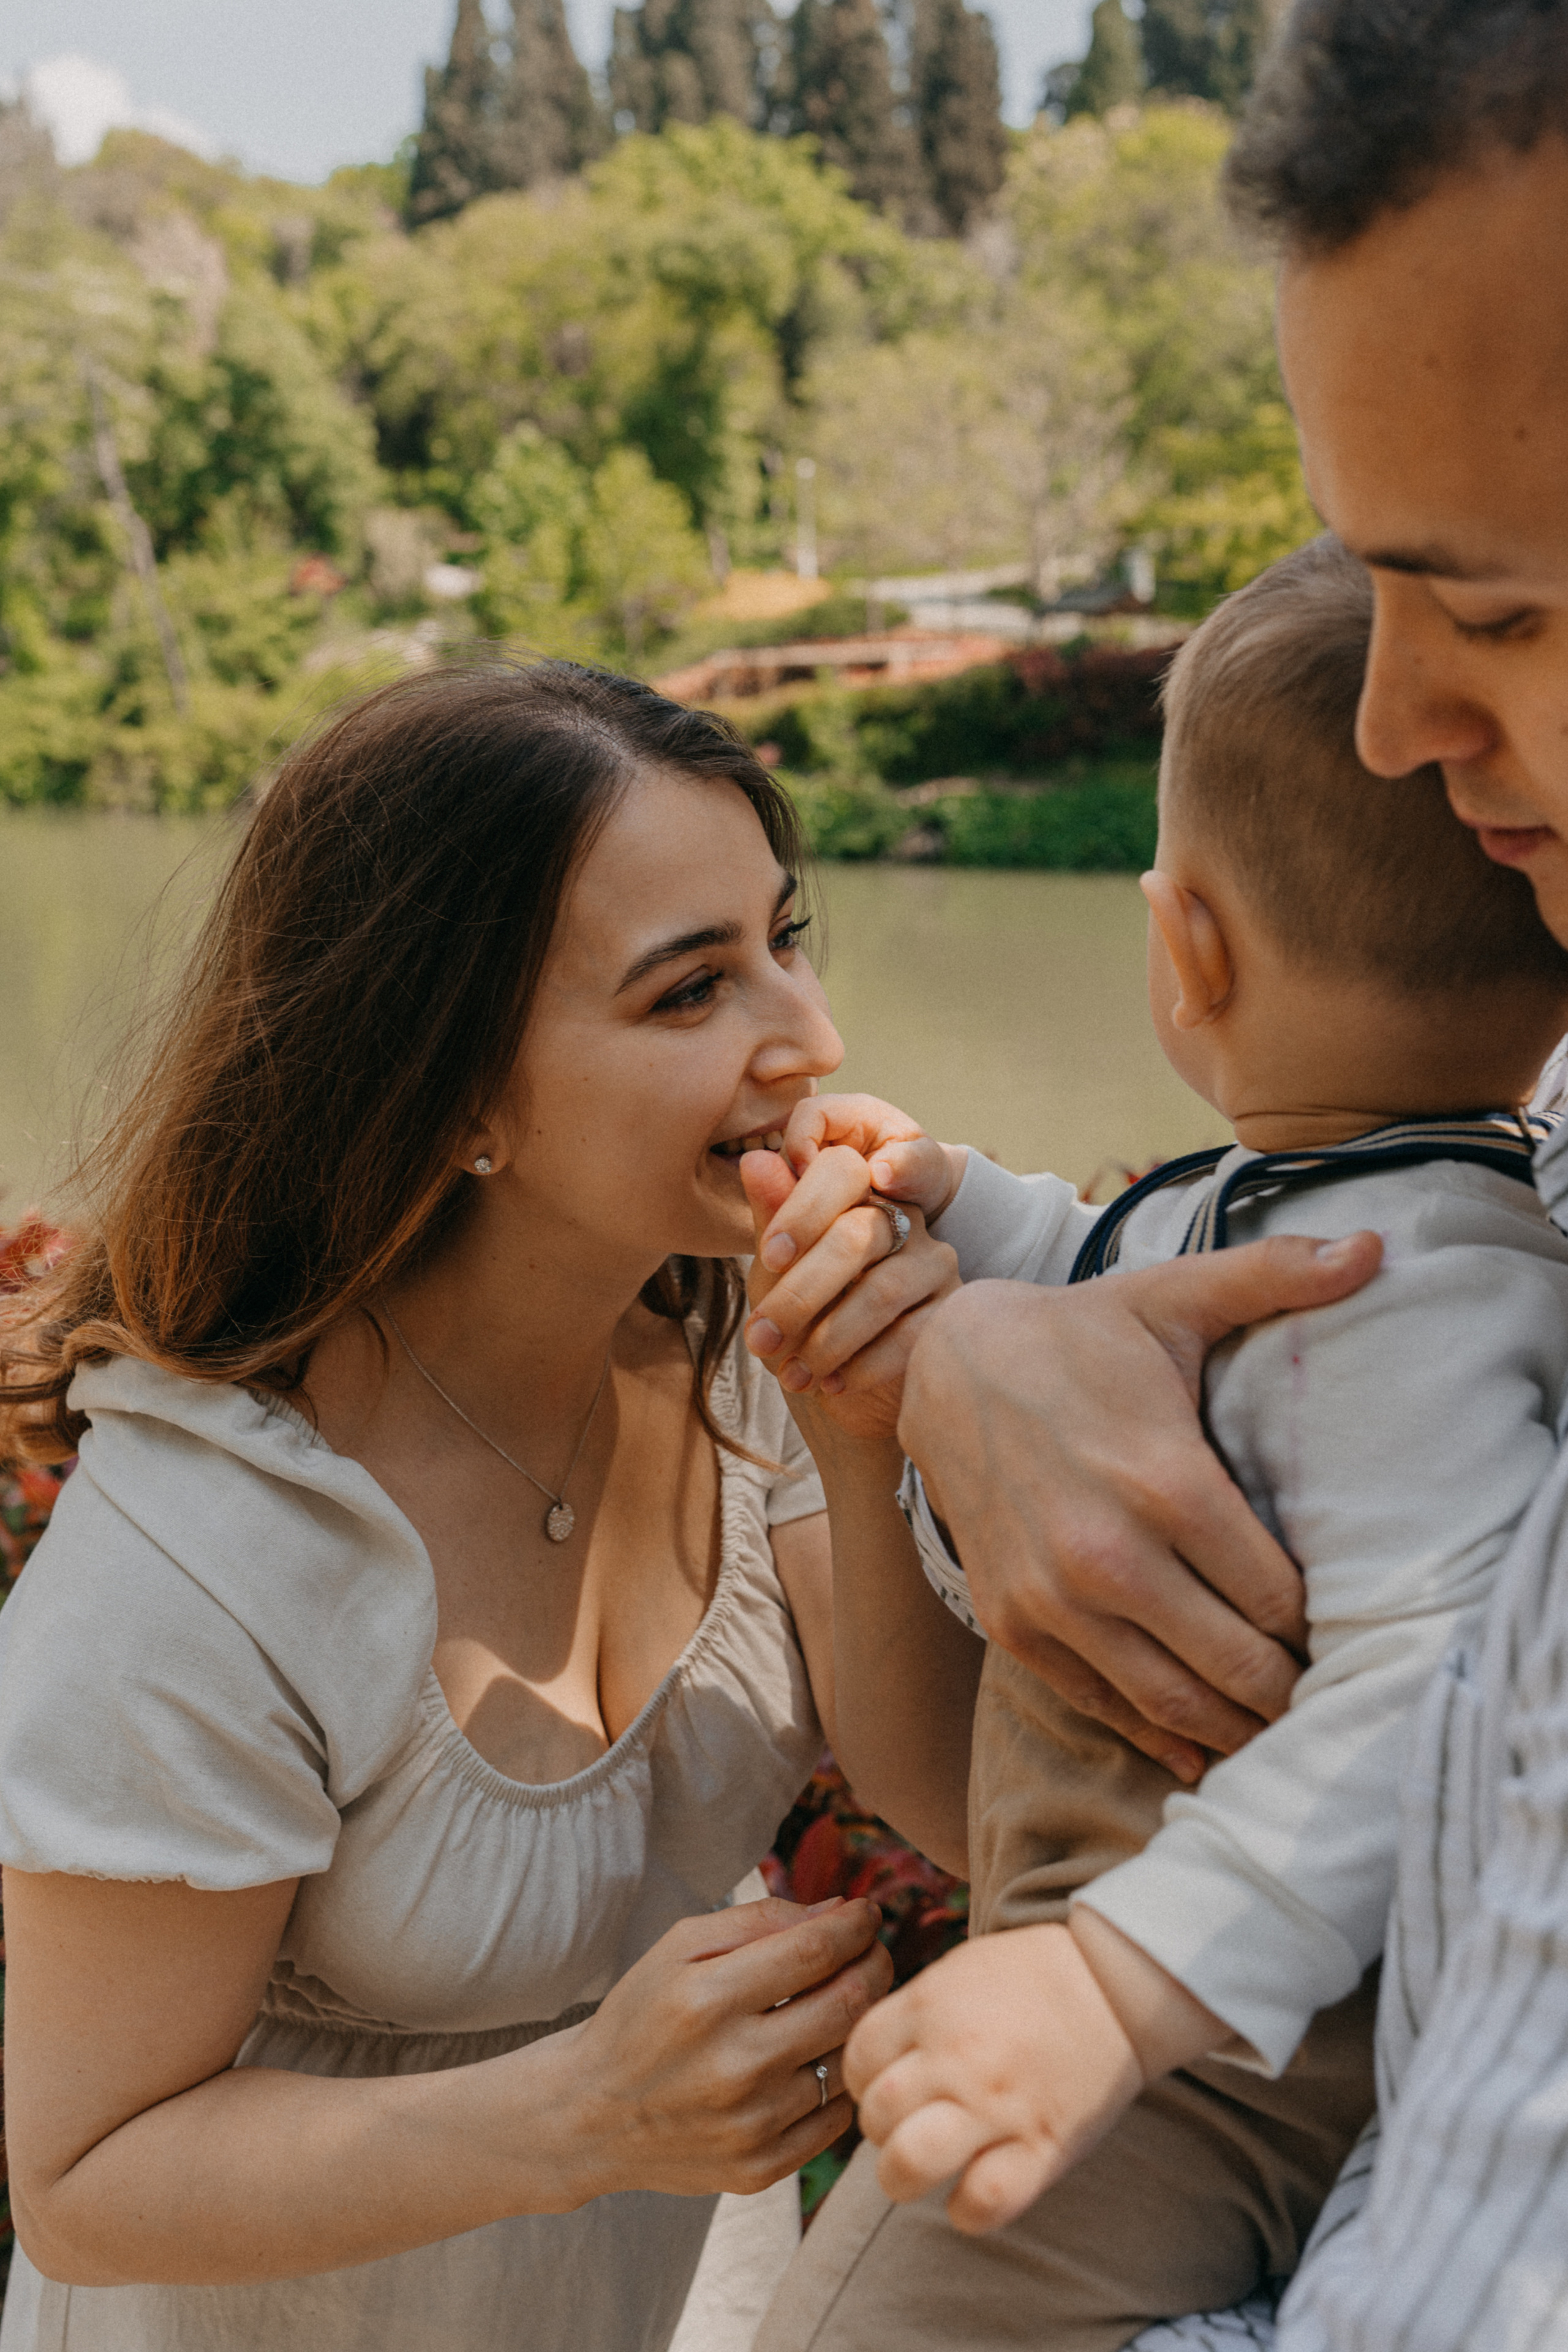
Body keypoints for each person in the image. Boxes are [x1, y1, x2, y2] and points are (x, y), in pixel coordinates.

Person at [760, 3, 1568, 2345]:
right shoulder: (1481, 1172)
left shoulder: (1417, 1277)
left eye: (1499, 610)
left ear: (1184, 950)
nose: (1414, 725)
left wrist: (1102, 1989)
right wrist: (971, 1303)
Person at [0, 659, 978, 2352]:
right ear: (454, 1095)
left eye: (784, 939)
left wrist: (859, 1440)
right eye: (691, 992)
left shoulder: (734, 1345)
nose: (809, 1039)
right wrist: (588, 2113)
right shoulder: (206, 1552)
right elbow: (83, 2184)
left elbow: (951, 1803)